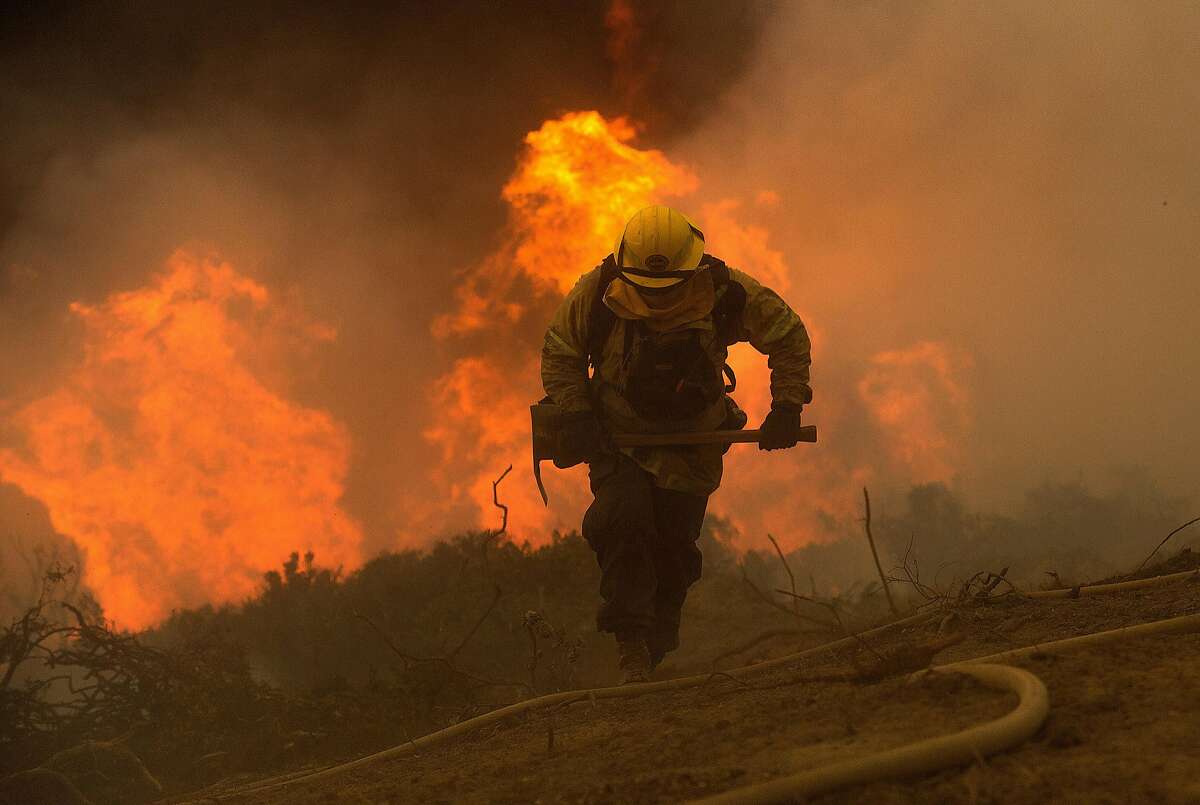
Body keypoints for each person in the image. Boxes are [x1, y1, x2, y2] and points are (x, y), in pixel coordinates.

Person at [540, 205, 812, 683]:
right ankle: (631, 649)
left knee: (673, 549)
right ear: (627, 269)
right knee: (622, 521)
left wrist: (787, 407)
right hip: (620, 441)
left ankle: (655, 648)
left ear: (693, 267)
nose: (657, 302)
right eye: (646, 290)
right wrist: (577, 414)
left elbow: (787, 334)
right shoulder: (598, 293)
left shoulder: (725, 291)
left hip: (693, 447)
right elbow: (561, 350)